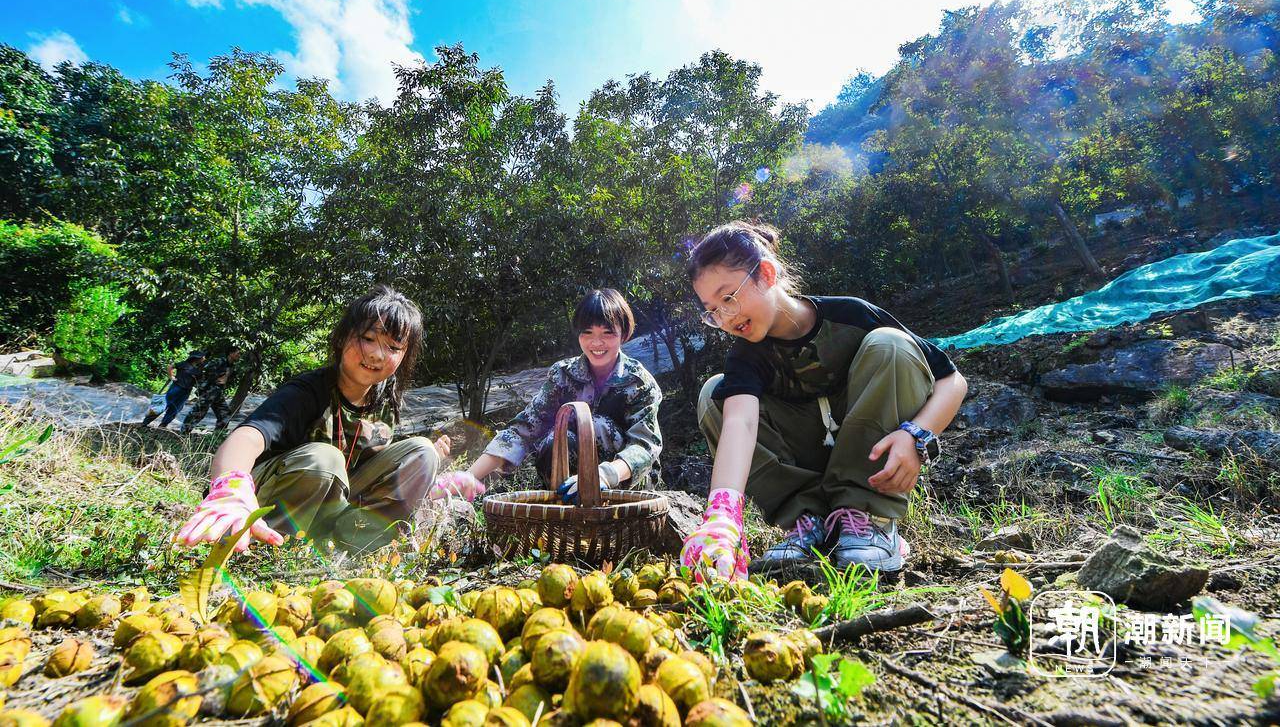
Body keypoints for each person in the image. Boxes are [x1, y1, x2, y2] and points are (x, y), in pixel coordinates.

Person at [679, 221, 967, 579]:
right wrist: (722, 517)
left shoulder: (851, 316)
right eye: (712, 311)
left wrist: (916, 435)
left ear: (766, 274)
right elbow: (740, 422)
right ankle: (808, 521)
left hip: (869, 451)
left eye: (728, 298)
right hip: (808, 456)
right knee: (715, 395)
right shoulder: (747, 356)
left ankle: (870, 518)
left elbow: (952, 381)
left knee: (891, 343)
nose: (725, 317)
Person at [174, 286, 448, 555]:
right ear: (342, 338)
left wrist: (427, 467)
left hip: (333, 504)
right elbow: (248, 437)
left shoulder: (385, 399)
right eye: (367, 338)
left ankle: (348, 545)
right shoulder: (307, 392)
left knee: (422, 452)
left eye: (393, 346)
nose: (377, 354)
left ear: (404, 356)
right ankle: (265, 545)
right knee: (325, 458)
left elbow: (373, 459)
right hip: (265, 501)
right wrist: (230, 489)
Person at [431, 289, 663, 504]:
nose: (596, 343)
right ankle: (562, 504)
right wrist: (468, 476)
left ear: (623, 333)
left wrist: (604, 475)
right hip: (569, 484)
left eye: (607, 333)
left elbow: (645, 445)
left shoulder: (639, 383)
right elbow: (524, 429)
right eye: (588, 333)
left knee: (598, 425)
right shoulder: (563, 375)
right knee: (553, 437)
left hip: (623, 484)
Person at [181, 347, 242, 433]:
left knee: (224, 413)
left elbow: (227, 378)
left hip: (217, 392)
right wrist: (216, 378)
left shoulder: (231, 366)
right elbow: (206, 369)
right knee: (199, 411)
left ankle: (218, 435)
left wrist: (225, 379)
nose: (239, 355)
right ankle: (184, 432)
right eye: (237, 353)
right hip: (209, 390)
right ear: (231, 354)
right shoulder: (220, 361)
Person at [142, 351, 206, 428]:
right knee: (162, 406)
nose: (204, 358)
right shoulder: (183, 364)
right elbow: (170, 367)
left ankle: (163, 426)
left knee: (175, 409)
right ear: (197, 358)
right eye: (203, 357)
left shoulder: (199, 369)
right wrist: (171, 377)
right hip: (176, 388)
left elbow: (198, 382)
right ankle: (145, 423)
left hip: (186, 392)